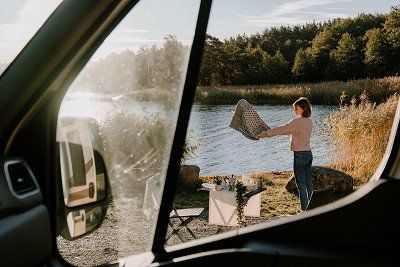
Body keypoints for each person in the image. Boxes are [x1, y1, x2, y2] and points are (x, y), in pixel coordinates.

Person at [256, 97, 313, 211]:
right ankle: (313, 208)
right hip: (308, 154)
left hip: (300, 156)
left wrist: (263, 134)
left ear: (303, 108)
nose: (295, 110)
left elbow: (281, 129)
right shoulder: (309, 121)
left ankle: (305, 212)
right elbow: (292, 131)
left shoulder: (297, 122)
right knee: (308, 184)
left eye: (296, 108)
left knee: (301, 186)